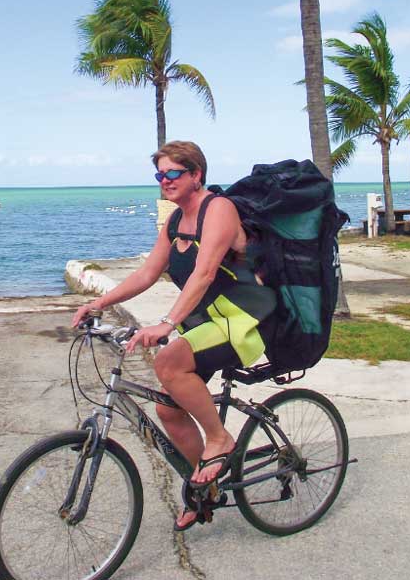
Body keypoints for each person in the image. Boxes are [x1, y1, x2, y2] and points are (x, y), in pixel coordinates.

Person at [71, 141, 276, 531]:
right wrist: (98, 304)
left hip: (244, 317)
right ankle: (206, 492)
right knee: (168, 408)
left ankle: (219, 439)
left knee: (168, 361)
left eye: (172, 174)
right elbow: (146, 274)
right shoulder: (174, 221)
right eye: (159, 175)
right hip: (205, 320)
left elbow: (204, 272)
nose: (164, 181)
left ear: (197, 174)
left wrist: (166, 323)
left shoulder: (219, 210)